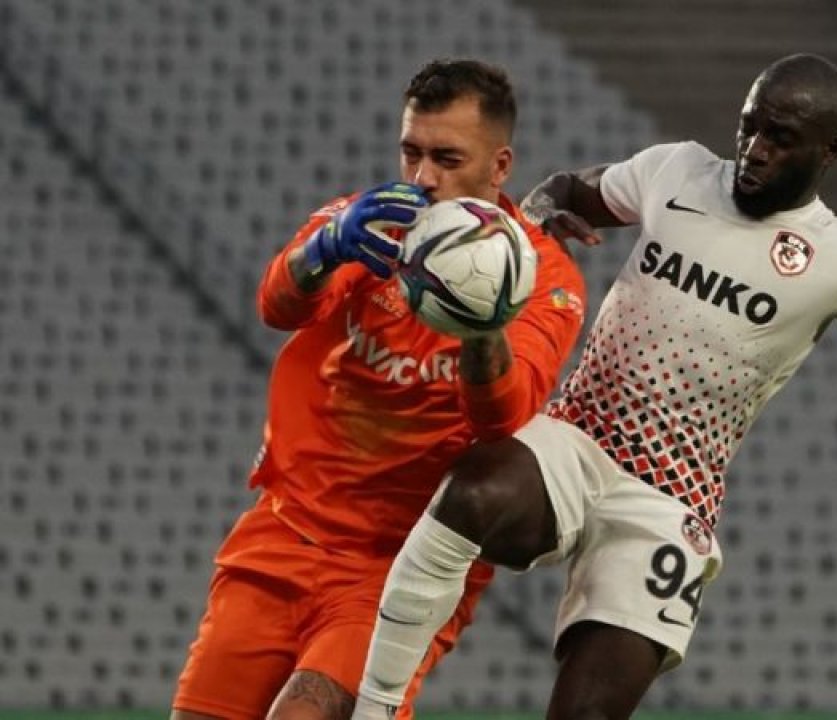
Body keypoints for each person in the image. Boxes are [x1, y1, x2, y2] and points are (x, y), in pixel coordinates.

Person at [351, 53, 837, 720]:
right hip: (580, 438)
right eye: (749, 126)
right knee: (472, 489)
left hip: (671, 500)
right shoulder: (676, 171)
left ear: (829, 152)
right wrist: (535, 217)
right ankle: (375, 710)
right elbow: (571, 190)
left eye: (779, 138)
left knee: (590, 712)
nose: (754, 149)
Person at [170, 59, 587, 720]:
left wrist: (483, 328)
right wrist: (325, 250)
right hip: (285, 530)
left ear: (499, 165)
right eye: (411, 152)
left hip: (396, 565)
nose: (424, 178)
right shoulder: (368, 227)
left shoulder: (542, 279)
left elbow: (503, 419)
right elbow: (278, 306)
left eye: (447, 158)